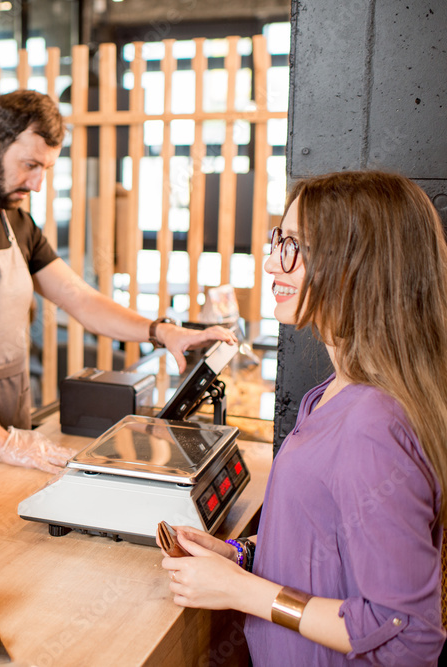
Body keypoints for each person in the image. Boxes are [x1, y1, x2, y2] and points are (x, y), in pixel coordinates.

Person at [161, 171, 447, 665]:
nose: (273, 261)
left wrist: (242, 592)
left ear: (360, 265)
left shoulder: (374, 423)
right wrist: (241, 555)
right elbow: (329, 552)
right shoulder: (331, 393)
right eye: (278, 240)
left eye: (293, 246)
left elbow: (406, 634)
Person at [0, 90, 235, 473]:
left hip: (8, 428)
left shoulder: (16, 223)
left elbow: (78, 297)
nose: (37, 185)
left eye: (45, 169)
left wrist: (162, 332)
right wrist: (4, 442)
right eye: (29, 165)